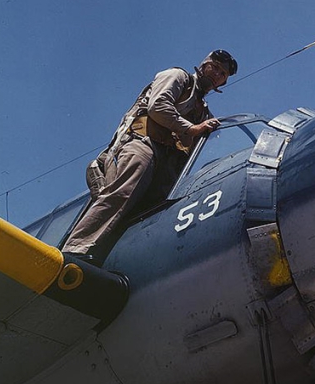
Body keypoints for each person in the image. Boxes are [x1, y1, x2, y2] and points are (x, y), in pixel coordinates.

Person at [62, 50, 238, 264]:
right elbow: (158, 107)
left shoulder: (203, 111)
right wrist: (192, 128)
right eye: (216, 68)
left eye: (223, 74)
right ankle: (74, 250)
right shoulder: (177, 77)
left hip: (167, 163)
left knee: (159, 210)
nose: (217, 75)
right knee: (125, 189)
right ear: (204, 65)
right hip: (141, 143)